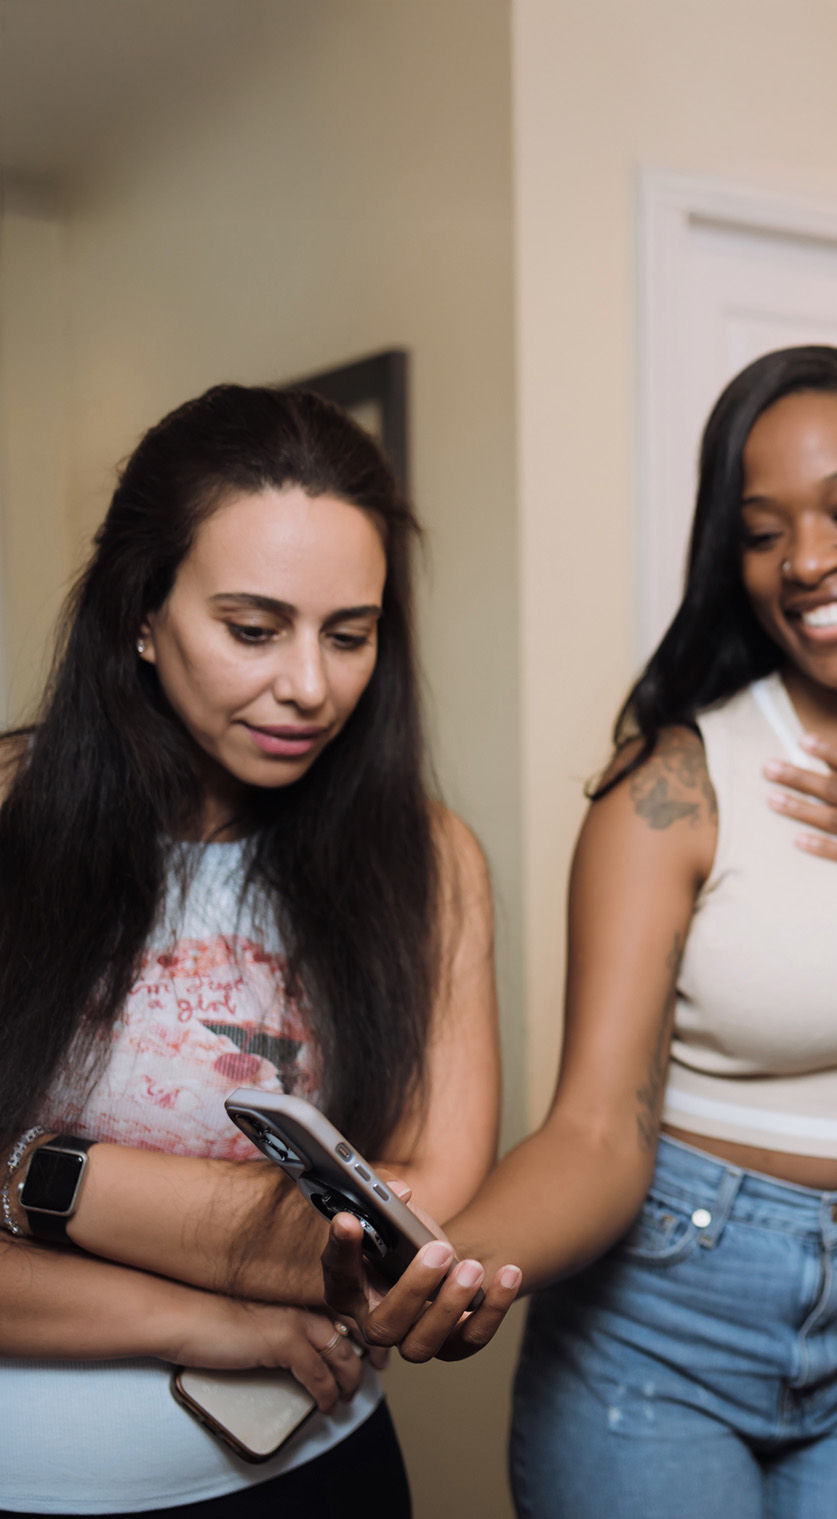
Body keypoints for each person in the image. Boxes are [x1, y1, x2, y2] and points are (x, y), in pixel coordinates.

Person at [332, 346, 837, 1518]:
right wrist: (447, 1264)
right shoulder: (677, 783)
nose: (807, 560)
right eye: (761, 532)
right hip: (657, 1335)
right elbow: (594, 1132)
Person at [0, 386, 503, 1517]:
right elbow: (333, 1236)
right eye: (252, 628)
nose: (310, 687)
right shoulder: (7, 819)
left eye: (349, 633)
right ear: (140, 610)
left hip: (319, 1479)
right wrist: (212, 1318)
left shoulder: (427, 860)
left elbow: (398, 1233)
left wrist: (43, 1180)